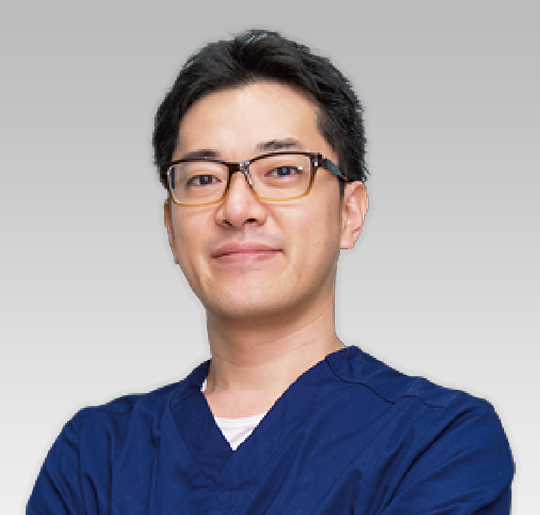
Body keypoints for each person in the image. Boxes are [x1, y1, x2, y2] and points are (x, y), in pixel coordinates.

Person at [27, 29, 514, 514]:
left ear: (349, 213)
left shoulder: (439, 442)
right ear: (171, 229)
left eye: (281, 170)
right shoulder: (96, 456)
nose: (237, 208)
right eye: (203, 178)